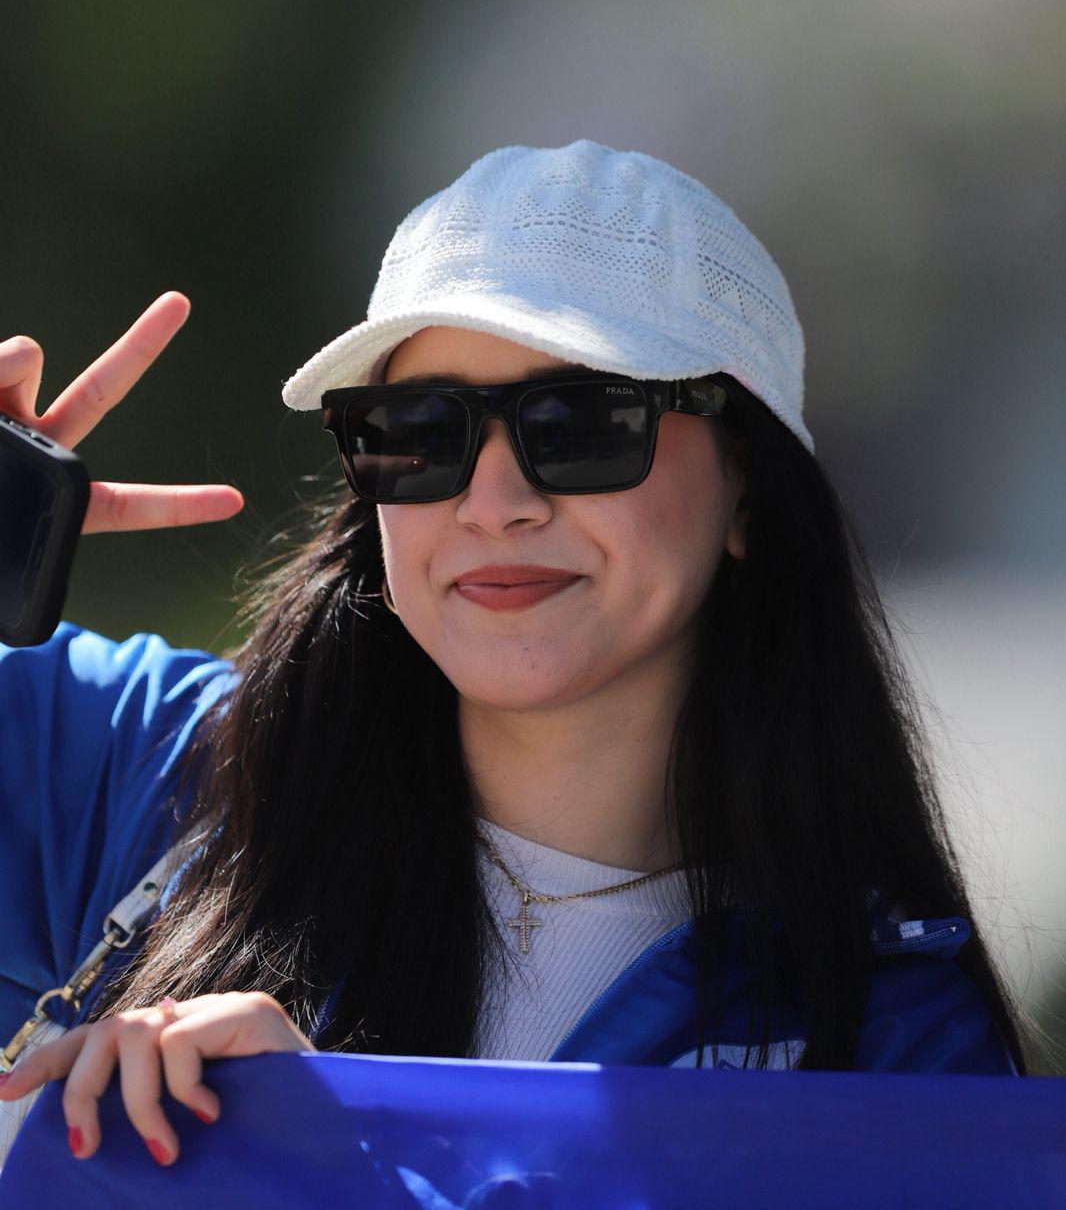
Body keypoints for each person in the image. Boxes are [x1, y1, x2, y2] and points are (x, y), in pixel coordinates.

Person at [0, 140, 1032, 1175]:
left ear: (746, 487)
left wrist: (326, 1166)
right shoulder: (158, 772)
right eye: (418, 429)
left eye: (581, 424)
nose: (494, 505)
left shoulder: (898, 1049)